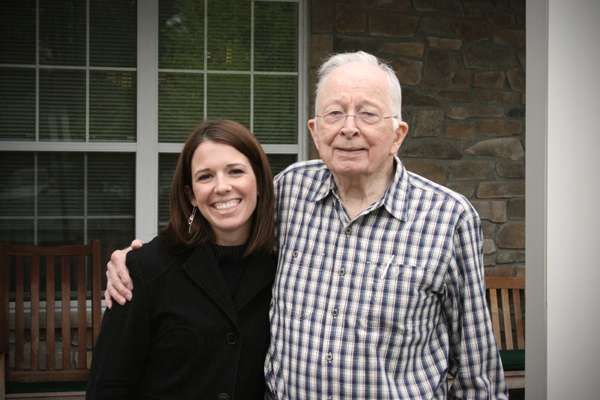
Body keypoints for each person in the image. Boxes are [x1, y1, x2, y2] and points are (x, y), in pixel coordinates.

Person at [105, 52, 509, 399]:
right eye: (334, 113)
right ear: (316, 132)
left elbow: (479, 375)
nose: (348, 127)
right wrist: (135, 262)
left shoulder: (448, 218)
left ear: (397, 134)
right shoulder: (288, 192)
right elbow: (218, 220)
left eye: (367, 114)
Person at [87, 120, 276, 399]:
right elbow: (108, 386)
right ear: (191, 195)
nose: (222, 187)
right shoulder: (144, 269)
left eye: (235, 171)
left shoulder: (283, 269)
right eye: (205, 177)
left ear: (259, 182)